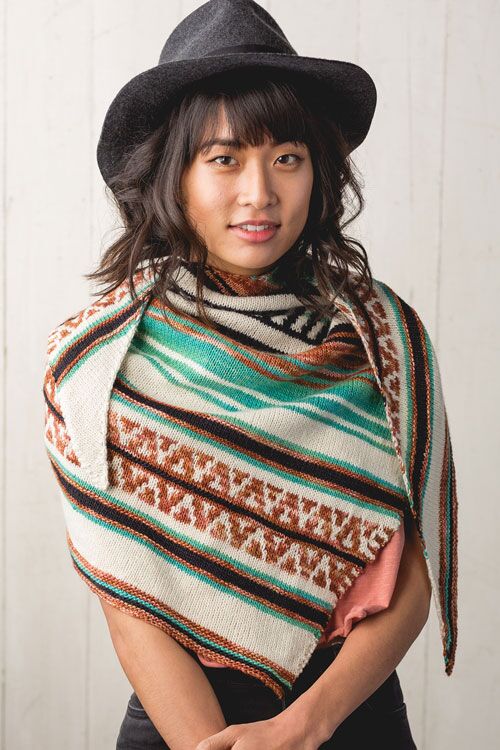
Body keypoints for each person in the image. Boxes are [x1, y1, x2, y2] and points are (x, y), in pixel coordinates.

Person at [42, 1, 458, 748]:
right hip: (180, 723)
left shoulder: (383, 339)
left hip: (350, 716)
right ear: (173, 173)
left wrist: (302, 728)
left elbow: (411, 580)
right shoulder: (99, 360)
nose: (260, 192)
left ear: (318, 171)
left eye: (287, 157)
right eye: (225, 158)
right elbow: (129, 607)